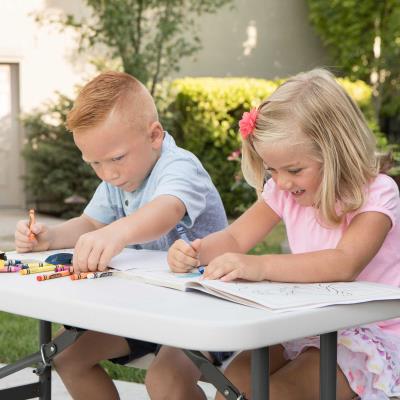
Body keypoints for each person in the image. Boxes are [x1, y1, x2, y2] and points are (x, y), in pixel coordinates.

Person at [165, 68, 400, 400]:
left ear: (335, 152)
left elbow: (344, 263)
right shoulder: (284, 191)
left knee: (274, 393)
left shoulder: (377, 193)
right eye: (272, 170)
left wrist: (259, 266)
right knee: (236, 382)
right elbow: (234, 239)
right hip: (305, 324)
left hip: (372, 333)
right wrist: (195, 251)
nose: (282, 182)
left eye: (294, 170)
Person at [14, 71, 231, 400]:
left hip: (204, 312)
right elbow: (90, 223)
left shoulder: (180, 166)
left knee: (164, 380)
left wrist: (116, 233)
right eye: (94, 163)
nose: (107, 173)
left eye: (116, 159)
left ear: (154, 136)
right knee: (67, 357)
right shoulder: (119, 179)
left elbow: (166, 211)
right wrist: (49, 238)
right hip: (146, 309)